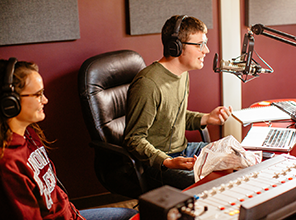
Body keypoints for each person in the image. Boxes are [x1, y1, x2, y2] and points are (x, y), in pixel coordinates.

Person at [0, 58, 138, 220]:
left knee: (132, 215)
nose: (45, 100)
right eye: (38, 95)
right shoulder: (8, 163)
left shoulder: (29, 132)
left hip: (71, 214)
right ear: (10, 103)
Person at [123, 15, 232, 190]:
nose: (206, 50)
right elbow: (134, 139)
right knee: (213, 183)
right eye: (200, 45)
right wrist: (168, 161)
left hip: (183, 150)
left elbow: (174, 116)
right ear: (177, 47)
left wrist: (206, 118)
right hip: (159, 164)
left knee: (235, 157)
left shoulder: (182, 74)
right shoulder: (148, 84)